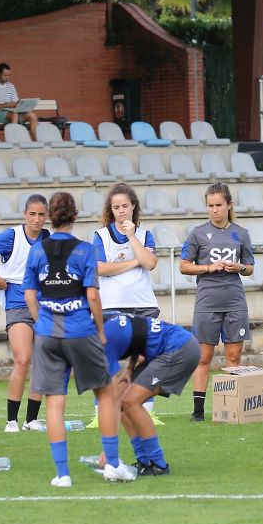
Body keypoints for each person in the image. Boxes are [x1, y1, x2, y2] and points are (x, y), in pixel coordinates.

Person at [23, 191, 135, 486]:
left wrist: (41, 322)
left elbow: (30, 295)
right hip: (81, 332)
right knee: (106, 395)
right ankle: (112, 464)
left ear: (50, 217)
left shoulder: (36, 251)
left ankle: (62, 475)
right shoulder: (85, 251)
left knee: (54, 404)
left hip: (48, 335)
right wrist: (99, 329)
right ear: (74, 217)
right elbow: (93, 296)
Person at [0, 193, 49, 433]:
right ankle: (11, 421)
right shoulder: (11, 236)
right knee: (22, 359)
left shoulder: (49, 239)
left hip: (43, 305)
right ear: (25, 214)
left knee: (42, 363)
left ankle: (31, 419)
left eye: (41, 214)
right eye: (32, 214)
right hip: (17, 302)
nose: (36, 219)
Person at [179, 183, 255, 422]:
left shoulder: (241, 233)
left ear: (229, 205)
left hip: (234, 301)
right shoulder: (197, 233)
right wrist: (208, 267)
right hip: (207, 302)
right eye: (210, 206)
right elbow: (184, 266)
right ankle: (198, 411)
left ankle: (232, 408)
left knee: (234, 356)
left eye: (218, 205)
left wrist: (239, 267)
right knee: (203, 357)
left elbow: (250, 268)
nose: (214, 210)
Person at [90, 182, 162, 428]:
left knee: (145, 358)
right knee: (106, 358)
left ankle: (146, 409)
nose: (121, 211)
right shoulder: (100, 235)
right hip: (111, 305)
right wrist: (133, 263)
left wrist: (131, 237)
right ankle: (100, 410)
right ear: (111, 210)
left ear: (133, 207)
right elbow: (99, 268)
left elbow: (150, 263)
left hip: (143, 304)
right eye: (116, 207)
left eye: (125, 206)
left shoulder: (144, 234)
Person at [104, 314, 199, 475]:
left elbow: (109, 397)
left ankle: (159, 464)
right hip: (163, 350)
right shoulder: (107, 321)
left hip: (179, 348)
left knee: (130, 401)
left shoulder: (102, 340)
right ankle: (144, 462)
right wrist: (129, 367)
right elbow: (138, 336)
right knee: (122, 401)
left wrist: (109, 451)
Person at [0, 61, 38, 136]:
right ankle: (14, 141)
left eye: (9, 75)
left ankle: (36, 142)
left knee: (32, 115)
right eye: (5, 75)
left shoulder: (11, 86)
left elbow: (15, 102)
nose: (8, 78)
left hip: (14, 112)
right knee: (14, 115)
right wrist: (6, 105)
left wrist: (22, 105)